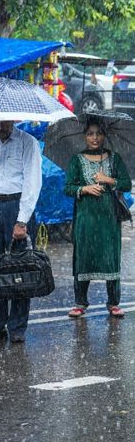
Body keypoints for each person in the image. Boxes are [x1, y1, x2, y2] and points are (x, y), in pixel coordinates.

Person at [0, 120, 42, 343]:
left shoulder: (27, 142)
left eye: (3, 122)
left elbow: (33, 182)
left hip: (16, 205)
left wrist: (22, 220)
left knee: (20, 268)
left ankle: (17, 326)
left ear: (12, 120)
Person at [63, 120, 132, 319]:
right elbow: (68, 187)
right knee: (83, 257)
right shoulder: (76, 160)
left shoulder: (114, 158)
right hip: (86, 219)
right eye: (90, 134)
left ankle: (113, 303)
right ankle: (81, 302)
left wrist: (108, 179)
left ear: (104, 136)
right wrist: (84, 189)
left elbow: (126, 184)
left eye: (98, 133)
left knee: (111, 257)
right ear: (84, 136)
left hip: (109, 220)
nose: (94, 138)